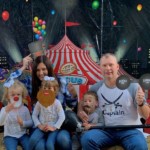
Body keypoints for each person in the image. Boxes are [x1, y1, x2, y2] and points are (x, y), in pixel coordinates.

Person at [78, 53, 150, 150]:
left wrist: (141, 104)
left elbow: (146, 115)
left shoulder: (132, 86)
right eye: (104, 65)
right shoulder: (96, 88)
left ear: (117, 67)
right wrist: (80, 111)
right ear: (100, 68)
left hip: (130, 130)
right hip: (106, 131)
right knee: (87, 139)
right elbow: (82, 102)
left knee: (140, 146)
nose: (108, 68)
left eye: (110, 65)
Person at [9, 54, 78, 150]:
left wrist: (74, 95)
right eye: (37, 70)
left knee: (63, 140)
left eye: (44, 69)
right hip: (38, 126)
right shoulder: (31, 83)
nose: (41, 73)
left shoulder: (60, 81)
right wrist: (23, 66)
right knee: (40, 147)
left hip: (58, 126)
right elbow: (10, 82)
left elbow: (73, 104)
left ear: (49, 68)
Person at [29, 76, 65, 150]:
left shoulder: (57, 103)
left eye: (49, 88)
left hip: (53, 128)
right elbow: (34, 115)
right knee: (32, 140)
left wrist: (54, 127)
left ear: (54, 90)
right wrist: (39, 126)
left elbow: (62, 117)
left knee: (49, 145)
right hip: (42, 127)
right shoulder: (39, 102)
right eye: (44, 88)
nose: (46, 90)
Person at [0, 79, 33, 150]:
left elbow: (30, 123)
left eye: (18, 94)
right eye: (12, 95)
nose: (16, 97)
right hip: (9, 136)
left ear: (22, 96)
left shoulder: (25, 109)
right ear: (7, 96)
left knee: (29, 147)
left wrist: (23, 123)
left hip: (23, 135)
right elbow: (0, 123)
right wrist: (6, 111)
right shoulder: (5, 109)